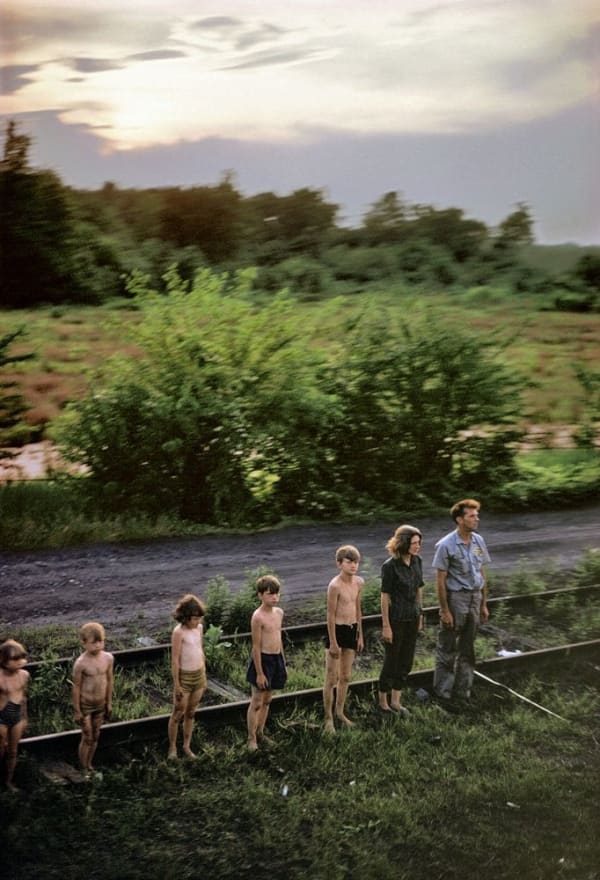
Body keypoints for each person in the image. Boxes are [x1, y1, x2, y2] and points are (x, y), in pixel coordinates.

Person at [432, 498, 490, 705]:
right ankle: (443, 694)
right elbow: (440, 581)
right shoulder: (446, 545)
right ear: (459, 519)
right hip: (456, 599)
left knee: (468, 648)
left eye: (477, 515)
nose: (477, 519)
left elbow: (481, 571)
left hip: (475, 597)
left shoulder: (478, 541)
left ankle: (463, 692)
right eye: (472, 516)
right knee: (448, 647)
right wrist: (444, 610)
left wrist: (483, 603)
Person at [377, 526, 424, 717]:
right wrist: (386, 625)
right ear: (404, 543)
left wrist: (420, 615)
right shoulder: (390, 566)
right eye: (414, 543)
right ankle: (383, 703)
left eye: (419, 543)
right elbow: (384, 597)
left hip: (412, 618)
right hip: (396, 619)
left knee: (406, 661)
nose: (418, 546)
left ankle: (396, 701)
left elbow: (419, 589)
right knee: (392, 661)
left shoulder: (417, 561)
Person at [323, 544, 364, 733]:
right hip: (337, 631)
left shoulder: (358, 583)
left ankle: (340, 712)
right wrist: (333, 642)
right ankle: (328, 718)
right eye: (349, 562)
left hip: (352, 629)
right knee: (331, 677)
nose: (353, 566)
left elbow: (358, 609)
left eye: (356, 562)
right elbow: (330, 615)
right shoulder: (334, 586)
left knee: (346, 676)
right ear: (339, 564)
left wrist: (360, 634)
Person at [246, 575, 287, 751]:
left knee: (268, 699)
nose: (274, 598)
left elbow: (279, 639)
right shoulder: (257, 617)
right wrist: (260, 672)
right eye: (270, 594)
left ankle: (261, 733)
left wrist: (283, 662)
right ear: (260, 595)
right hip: (262, 660)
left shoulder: (279, 613)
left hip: (276, 658)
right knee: (256, 700)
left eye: (276, 594)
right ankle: (251, 738)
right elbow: (255, 647)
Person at [167, 593, 207, 760]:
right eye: (194, 619)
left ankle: (186, 746)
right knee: (178, 712)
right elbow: (175, 660)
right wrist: (177, 684)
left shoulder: (199, 628)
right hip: (185, 677)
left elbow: (200, 650)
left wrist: (204, 675)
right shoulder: (179, 633)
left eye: (199, 618)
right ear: (185, 617)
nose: (197, 622)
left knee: (191, 712)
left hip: (198, 675)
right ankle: (172, 748)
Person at [72, 622, 114, 777]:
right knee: (87, 736)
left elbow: (109, 681)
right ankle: (82, 767)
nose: (98, 645)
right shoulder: (80, 664)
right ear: (83, 643)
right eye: (93, 642)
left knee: (96, 735)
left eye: (101, 641)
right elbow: (76, 687)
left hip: (100, 704)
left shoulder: (108, 658)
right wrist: (77, 710)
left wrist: (109, 703)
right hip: (86, 705)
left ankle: (89, 764)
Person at [0, 639, 30, 792]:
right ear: (4, 660)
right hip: (1, 716)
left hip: (16, 714)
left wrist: (24, 718)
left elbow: (24, 697)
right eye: (15, 659)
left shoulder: (24, 675)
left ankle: (9, 780)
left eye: (22, 658)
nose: (20, 662)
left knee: (13, 751)